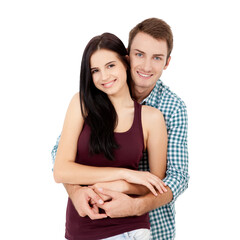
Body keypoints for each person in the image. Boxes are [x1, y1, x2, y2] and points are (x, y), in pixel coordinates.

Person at [52, 18, 189, 239]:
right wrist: (77, 191)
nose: (145, 66)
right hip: (85, 223)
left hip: (147, 224)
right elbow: (60, 161)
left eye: (157, 58)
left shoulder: (166, 110)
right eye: (139, 54)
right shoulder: (85, 103)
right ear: (128, 57)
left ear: (167, 62)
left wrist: (131, 198)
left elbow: (169, 178)